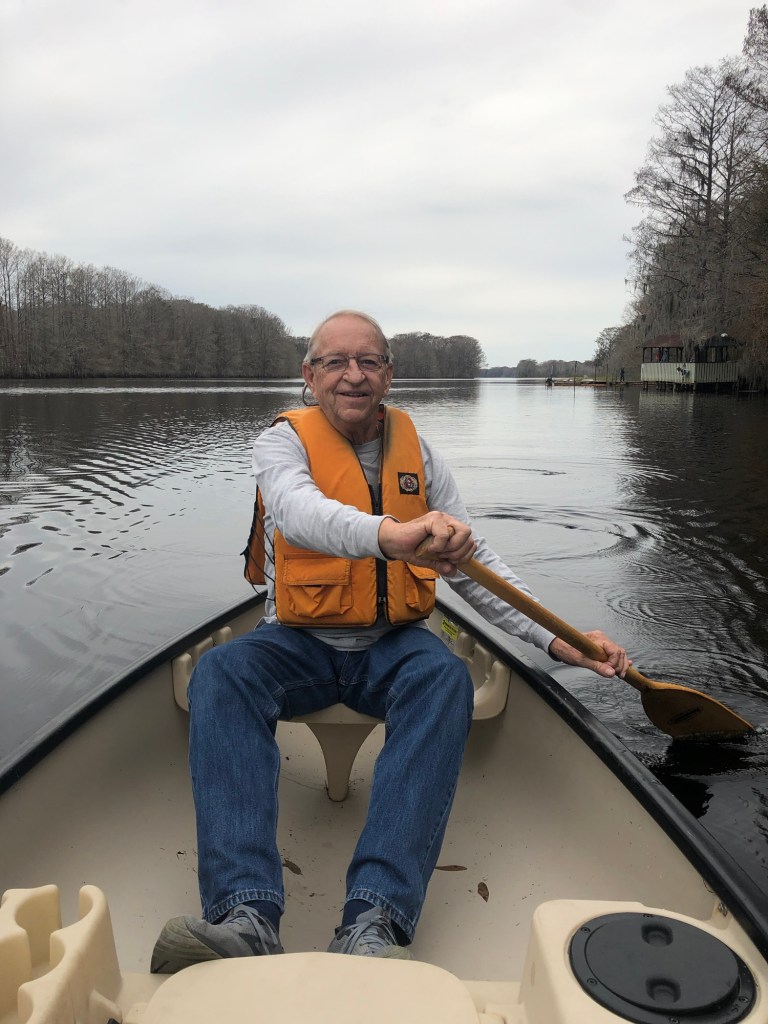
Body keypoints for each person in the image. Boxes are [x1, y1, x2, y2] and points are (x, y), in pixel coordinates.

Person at [150, 309, 630, 973]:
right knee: (221, 673)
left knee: (443, 677)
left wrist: (557, 639)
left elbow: (474, 562)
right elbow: (301, 514)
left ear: (388, 374)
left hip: (394, 644)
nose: (353, 375)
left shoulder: (419, 454)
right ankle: (246, 914)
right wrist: (392, 535)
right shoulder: (280, 445)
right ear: (309, 375)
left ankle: (374, 920)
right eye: (335, 362)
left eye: (368, 361)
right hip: (296, 643)